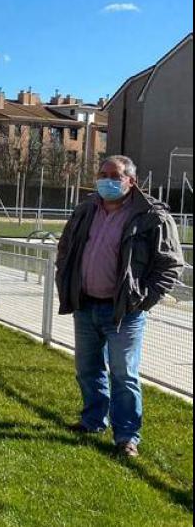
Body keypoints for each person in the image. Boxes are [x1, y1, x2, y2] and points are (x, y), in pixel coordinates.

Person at [55, 155, 183, 458]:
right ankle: (92, 421)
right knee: (88, 369)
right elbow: (66, 247)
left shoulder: (152, 215)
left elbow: (170, 265)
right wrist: (66, 278)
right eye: (102, 174)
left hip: (124, 312)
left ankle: (126, 436)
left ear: (131, 181)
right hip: (86, 305)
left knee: (124, 374)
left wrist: (143, 299)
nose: (106, 180)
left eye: (114, 175)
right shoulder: (86, 209)